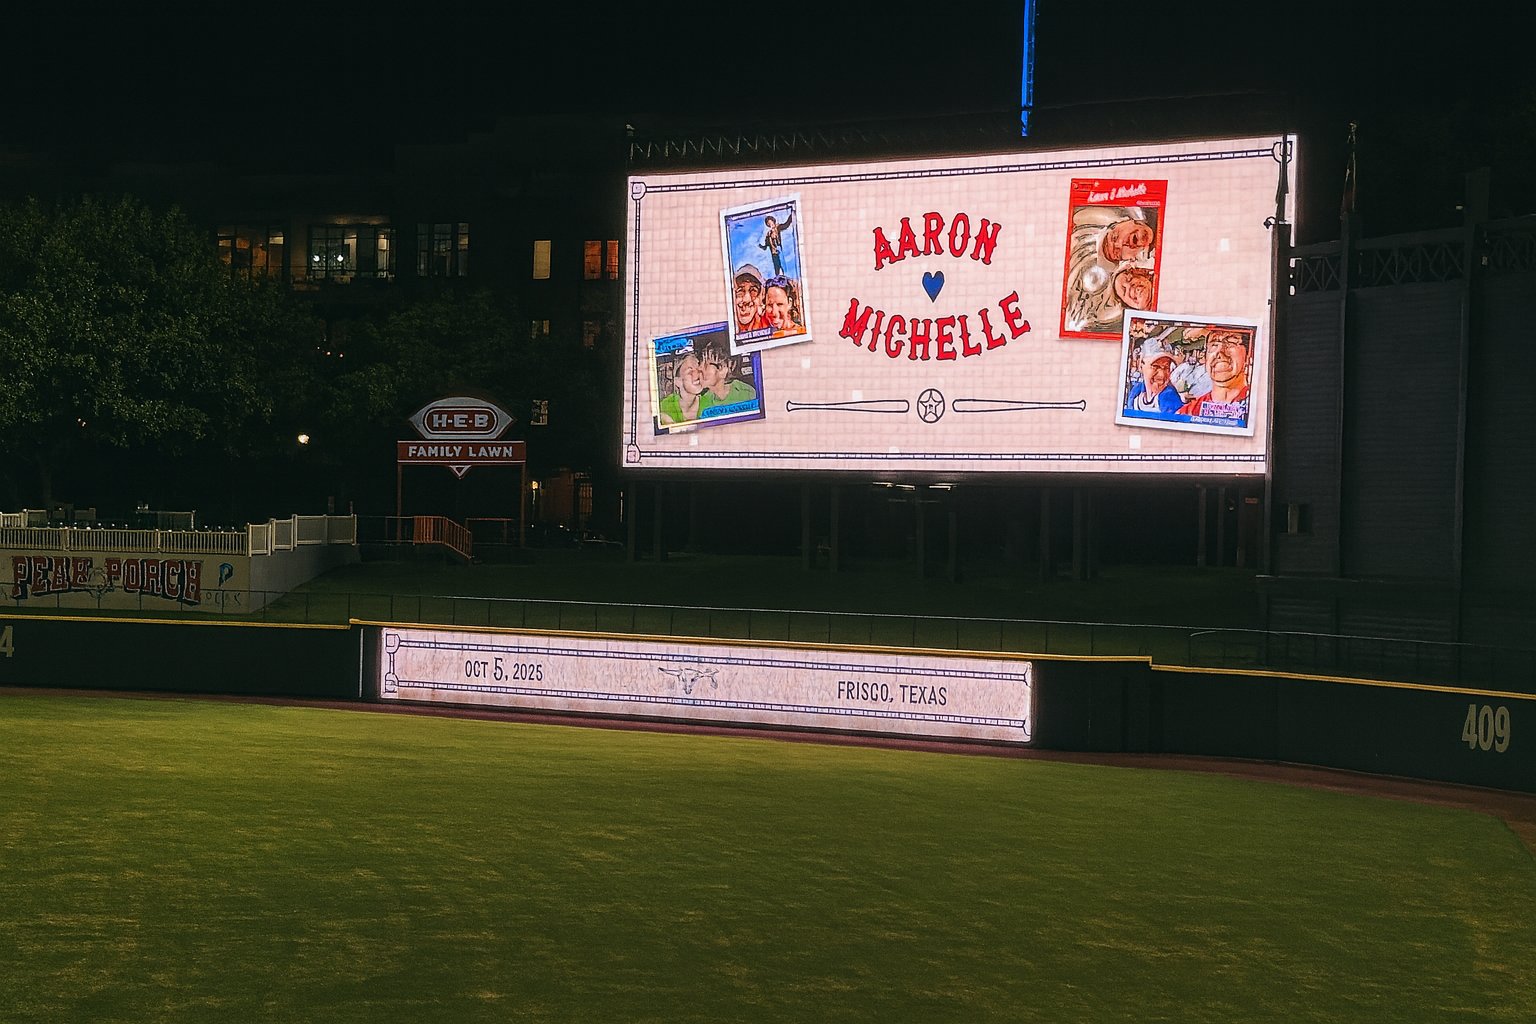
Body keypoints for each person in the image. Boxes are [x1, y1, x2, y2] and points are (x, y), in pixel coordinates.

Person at [1178, 329, 1252, 418]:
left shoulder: (1258, 408)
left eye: (1231, 343)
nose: (1220, 352)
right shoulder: (1188, 413)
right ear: (1204, 357)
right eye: (1214, 344)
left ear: (1248, 356)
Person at [696, 334, 757, 416]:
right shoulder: (701, 402)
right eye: (700, 363)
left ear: (724, 369)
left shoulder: (746, 393)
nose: (700, 368)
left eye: (706, 364)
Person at [1125, 336, 1182, 415]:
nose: (1161, 375)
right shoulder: (1136, 392)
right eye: (1156, 367)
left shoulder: (1169, 396)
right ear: (1141, 366)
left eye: (1166, 368)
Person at [657, 350, 707, 425]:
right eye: (690, 372)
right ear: (678, 381)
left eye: (699, 370)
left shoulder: (708, 401)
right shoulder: (665, 407)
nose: (697, 375)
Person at [732, 264, 770, 334]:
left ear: (761, 297)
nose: (747, 300)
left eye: (753, 291)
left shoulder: (770, 325)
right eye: (740, 291)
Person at [759, 211, 793, 277]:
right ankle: (778, 278)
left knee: (782, 264)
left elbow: (786, 225)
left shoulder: (778, 227)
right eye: (769, 224)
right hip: (774, 253)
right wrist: (761, 246)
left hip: (779, 250)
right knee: (776, 266)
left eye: (771, 223)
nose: (771, 225)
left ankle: (784, 277)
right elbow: (766, 245)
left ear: (773, 221)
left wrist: (791, 216)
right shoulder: (768, 234)